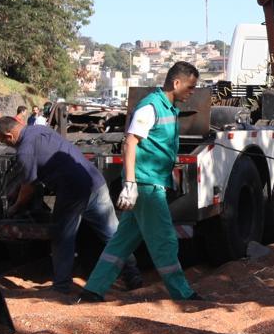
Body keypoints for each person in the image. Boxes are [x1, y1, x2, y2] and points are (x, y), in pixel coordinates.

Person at [82, 62, 203, 302]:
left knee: (121, 242)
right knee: (165, 241)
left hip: (152, 181)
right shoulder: (150, 107)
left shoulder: (167, 107)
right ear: (176, 83)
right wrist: (130, 183)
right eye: (190, 87)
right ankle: (182, 294)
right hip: (147, 184)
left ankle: (93, 289)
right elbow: (129, 143)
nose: (192, 92)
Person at [0, 117, 142, 296]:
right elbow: (31, 174)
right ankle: (133, 277)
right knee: (112, 235)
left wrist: (14, 207)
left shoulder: (24, 150)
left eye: (3, 141)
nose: (7, 145)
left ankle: (61, 286)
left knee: (63, 237)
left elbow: (30, 187)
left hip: (73, 192)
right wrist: (16, 189)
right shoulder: (40, 130)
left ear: (9, 135)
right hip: (95, 182)